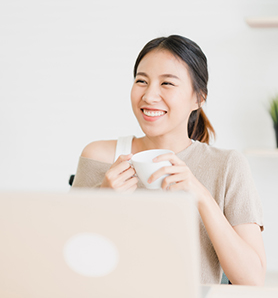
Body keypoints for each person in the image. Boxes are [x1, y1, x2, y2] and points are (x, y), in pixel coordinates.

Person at [72, 35, 266, 285]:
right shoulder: (99, 156)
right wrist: (103, 200)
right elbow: (69, 258)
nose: (150, 96)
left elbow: (252, 280)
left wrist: (201, 196)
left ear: (199, 98)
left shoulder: (228, 165)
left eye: (167, 83)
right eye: (141, 81)